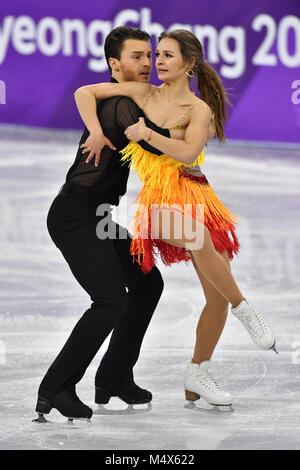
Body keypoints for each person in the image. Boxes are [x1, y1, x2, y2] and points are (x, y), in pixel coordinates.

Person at [75, 29, 278, 408]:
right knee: (198, 238)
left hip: (200, 194)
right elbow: (84, 93)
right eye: (157, 54)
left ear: (189, 64)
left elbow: (188, 154)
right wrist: (98, 131)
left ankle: (197, 372)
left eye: (167, 55)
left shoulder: (200, 110)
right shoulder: (142, 94)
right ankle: (246, 310)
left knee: (214, 297)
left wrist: (147, 134)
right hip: (159, 201)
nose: (157, 62)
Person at [33, 26, 183, 423]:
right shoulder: (121, 105)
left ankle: (114, 377)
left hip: (98, 215)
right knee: (110, 299)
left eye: (150, 55)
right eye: (137, 56)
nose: (148, 63)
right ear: (115, 66)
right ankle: (56, 387)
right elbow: (164, 146)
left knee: (147, 282)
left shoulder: (131, 99)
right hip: (75, 215)